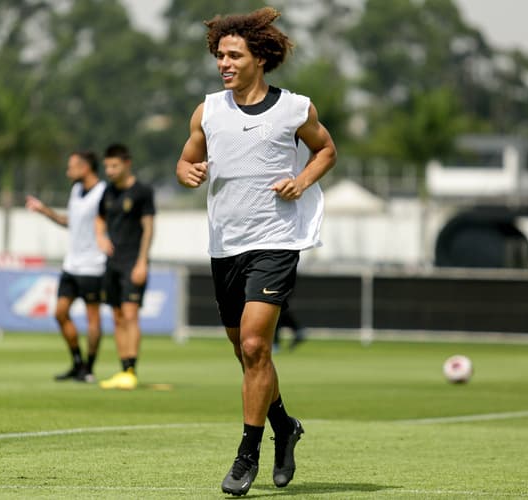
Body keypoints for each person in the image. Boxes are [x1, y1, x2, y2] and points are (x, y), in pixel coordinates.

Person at [176, 7, 337, 496]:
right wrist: (187, 172)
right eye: (219, 55)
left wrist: (302, 179)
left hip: (275, 242)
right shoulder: (208, 110)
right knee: (245, 355)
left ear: (259, 58)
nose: (223, 63)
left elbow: (326, 149)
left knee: (254, 346)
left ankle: (248, 454)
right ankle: (284, 425)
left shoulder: (294, 108)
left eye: (233, 55)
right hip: (224, 246)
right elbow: (187, 158)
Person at [25, 151, 106, 383]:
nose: (67, 171)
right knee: (60, 313)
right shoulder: (76, 191)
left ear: (86, 168)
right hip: (71, 265)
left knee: (93, 319)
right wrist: (44, 210)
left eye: (71, 167)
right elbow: (70, 222)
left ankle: (89, 369)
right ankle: (77, 363)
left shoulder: (103, 193)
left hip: (94, 265)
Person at [95, 143, 155, 390]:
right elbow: (99, 218)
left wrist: (142, 261)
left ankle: (131, 369)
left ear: (127, 164)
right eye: (107, 166)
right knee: (117, 316)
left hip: (133, 261)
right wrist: (100, 236)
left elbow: (149, 227)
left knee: (131, 314)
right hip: (112, 263)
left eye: (114, 166)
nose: (109, 170)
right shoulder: (107, 192)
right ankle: (122, 369)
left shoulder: (142, 192)